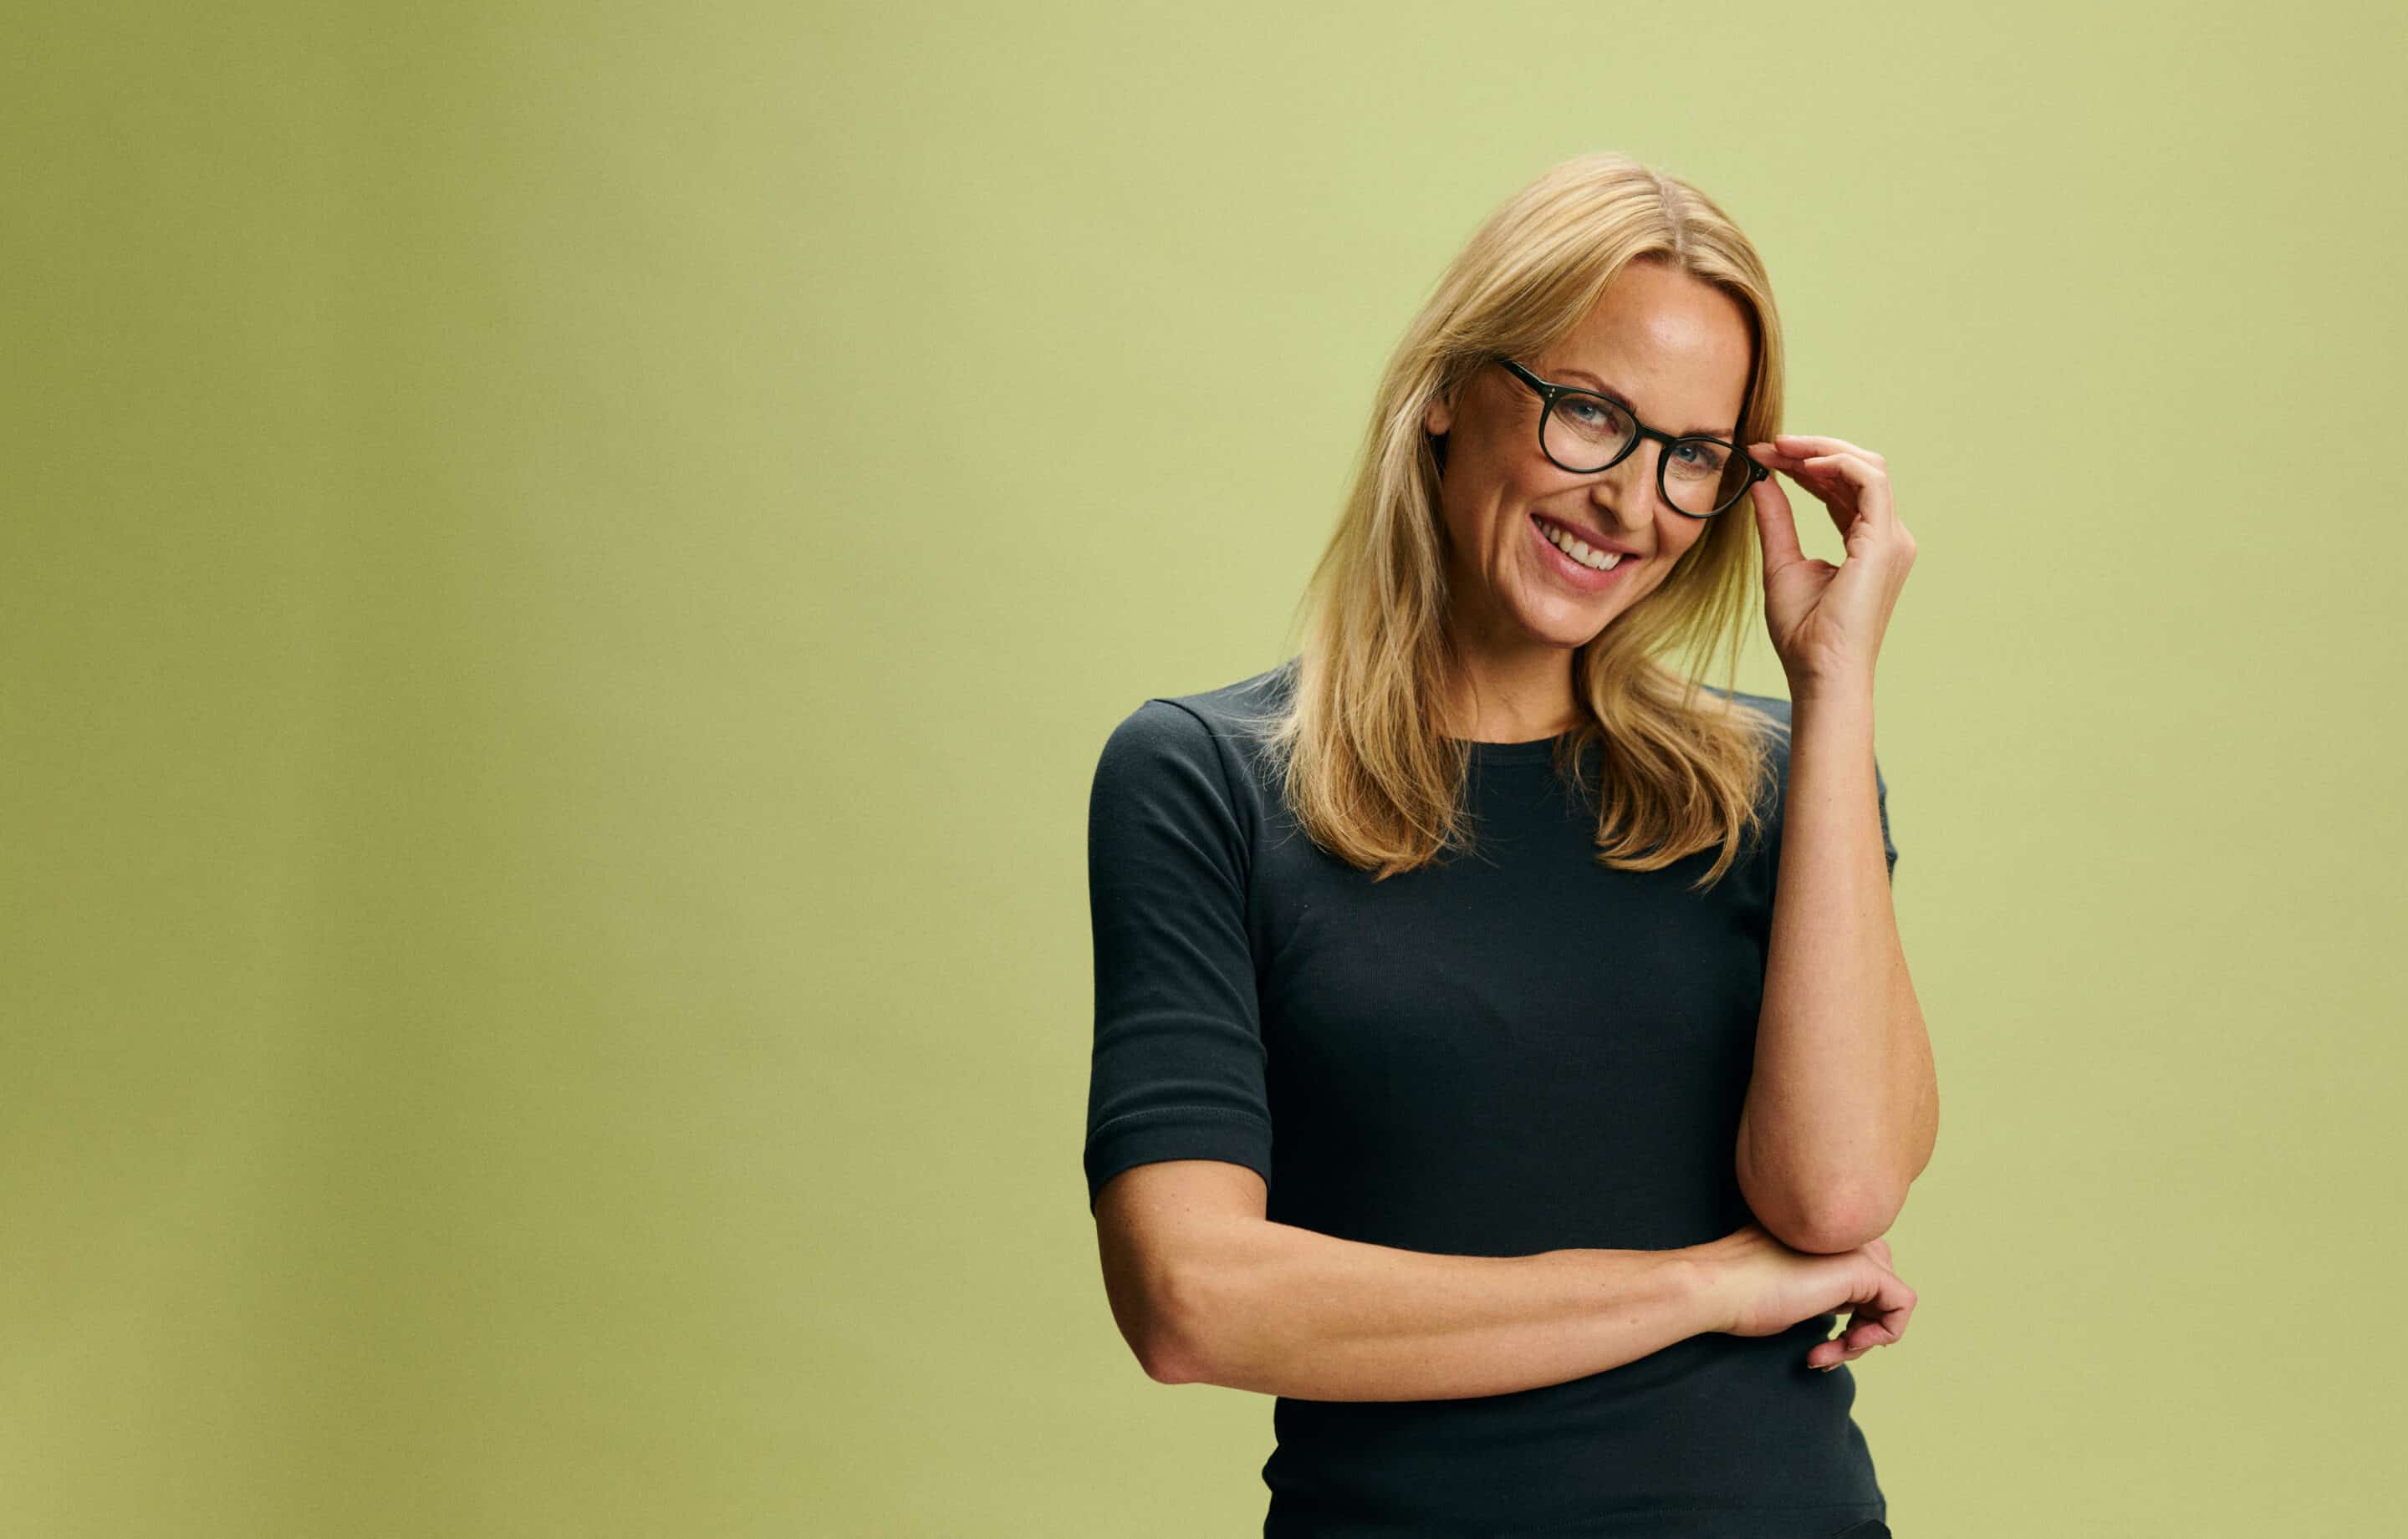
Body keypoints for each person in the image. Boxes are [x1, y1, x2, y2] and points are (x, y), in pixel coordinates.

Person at [1080, 150, 1934, 1539]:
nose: (1633, 501)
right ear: (1444, 397)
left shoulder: (1777, 781)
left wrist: (1836, 694)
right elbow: (1190, 1299)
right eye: (1590, 412)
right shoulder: (1206, 781)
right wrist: (1706, 1285)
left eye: (1694, 456)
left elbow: (1836, 1193)